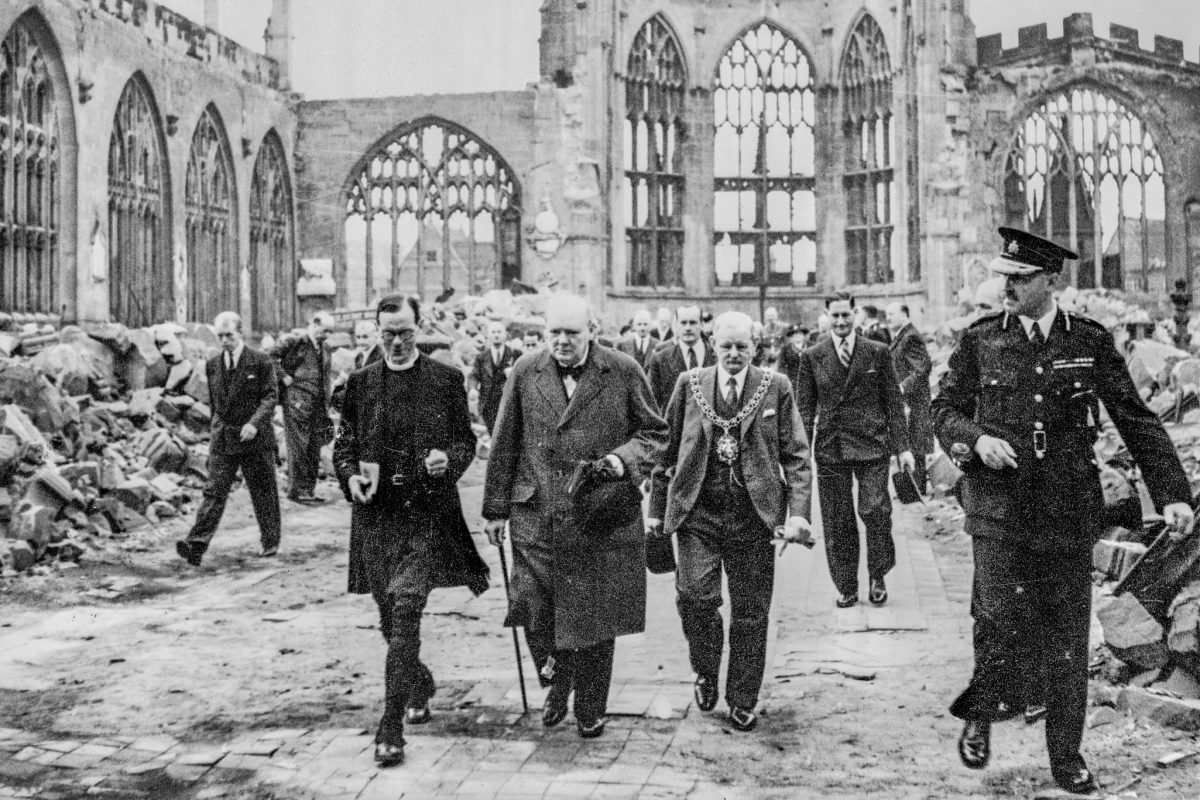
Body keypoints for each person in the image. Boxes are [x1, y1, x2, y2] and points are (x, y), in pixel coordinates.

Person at [931, 228, 1196, 795]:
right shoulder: (981, 341)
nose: (1009, 287)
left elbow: (1137, 420)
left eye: (1021, 279)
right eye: (1006, 276)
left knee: (1068, 637)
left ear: (1052, 281)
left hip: (1066, 513)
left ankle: (1065, 756)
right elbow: (944, 409)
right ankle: (981, 712)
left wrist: (1174, 493)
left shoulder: (1091, 341)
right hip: (998, 510)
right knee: (997, 619)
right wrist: (975, 440)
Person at [483, 293, 667, 739]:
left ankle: (589, 706)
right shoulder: (526, 370)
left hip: (598, 514)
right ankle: (555, 672)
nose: (562, 342)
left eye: (572, 333)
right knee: (532, 606)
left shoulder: (622, 370)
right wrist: (494, 508)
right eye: (555, 333)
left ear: (592, 332)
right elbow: (505, 438)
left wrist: (622, 461)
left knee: (595, 615)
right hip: (537, 511)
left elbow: (655, 434)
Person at [333, 293, 490, 768]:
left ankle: (390, 727)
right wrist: (350, 477)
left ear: (419, 329)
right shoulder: (359, 384)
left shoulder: (445, 379)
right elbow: (344, 445)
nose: (397, 342)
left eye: (405, 332)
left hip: (426, 515)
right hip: (378, 519)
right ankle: (417, 681)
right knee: (388, 617)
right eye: (388, 334)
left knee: (405, 612)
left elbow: (465, 441)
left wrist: (450, 461)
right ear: (376, 333)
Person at [647, 311, 813, 732]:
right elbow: (666, 450)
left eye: (742, 346)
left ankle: (742, 698)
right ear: (713, 344)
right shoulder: (690, 385)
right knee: (695, 597)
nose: (734, 354)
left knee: (751, 613)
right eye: (726, 346)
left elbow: (796, 454)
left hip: (753, 517)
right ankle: (705, 668)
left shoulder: (776, 387)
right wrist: (655, 512)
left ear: (754, 347)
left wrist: (797, 515)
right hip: (697, 511)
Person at [795, 291, 913, 608]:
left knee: (875, 511)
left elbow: (893, 402)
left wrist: (903, 448)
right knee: (837, 520)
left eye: (846, 315)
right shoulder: (812, 356)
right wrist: (800, 453)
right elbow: (804, 409)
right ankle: (847, 586)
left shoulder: (877, 352)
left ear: (855, 313)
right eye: (834, 316)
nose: (841, 321)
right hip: (831, 448)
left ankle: (878, 575)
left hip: (872, 446)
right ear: (826, 316)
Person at [175, 312, 280, 567]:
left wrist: (254, 424)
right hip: (225, 438)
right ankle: (195, 545)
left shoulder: (261, 361)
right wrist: (215, 432)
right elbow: (215, 404)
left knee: (262, 491)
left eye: (229, 335)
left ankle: (270, 540)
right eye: (220, 336)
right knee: (214, 491)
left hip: (254, 439)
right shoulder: (212, 364)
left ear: (240, 334)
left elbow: (270, 397)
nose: (224, 340)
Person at [275, 312, 335, 504]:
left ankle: (308, 490)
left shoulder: (325, 348)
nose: (326, 335)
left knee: (314, 446)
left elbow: (326, 377)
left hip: (317, 404)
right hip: (296, 401)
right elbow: (270, 358)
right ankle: (295, 490)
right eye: (324, 330)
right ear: (314, 323)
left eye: (329, 332)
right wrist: (283, 376)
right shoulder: (295, 342)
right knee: (298, 445)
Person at [886, 303, 933, 493]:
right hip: (907, 401)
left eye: (891, 314)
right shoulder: (901, 336)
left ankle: (916, 488)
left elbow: (922, 369)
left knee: (916, 442)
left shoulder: (910, 337)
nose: (888, 318)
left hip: (915, 401)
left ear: (904, 317)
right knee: (908, 440)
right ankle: (909, 488)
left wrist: (901, 388)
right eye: (887, 315)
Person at [646, 305, 714, 411]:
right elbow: (651, 401)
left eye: (693, 323)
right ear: (676, 326)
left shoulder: (716, 356)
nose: (687, 328)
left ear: (701, 325)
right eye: (683, 323)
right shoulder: (660, 359)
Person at [471, 320, 520, 433]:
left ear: (505, 335)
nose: (496, 335)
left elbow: (524, 376)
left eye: (499, 332)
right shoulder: (481, 357)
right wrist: (473, 388)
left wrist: (513, 374)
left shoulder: (515, 354)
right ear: (488, 336)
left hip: (508, 402)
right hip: (488, 404)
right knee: (492, 433)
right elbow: (474, 375)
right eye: (493, 332)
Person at [776, 324, 808, 395]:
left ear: (803, 336)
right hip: (792, 383)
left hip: (808, 383)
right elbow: (781, 368)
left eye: (800, 333)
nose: (797, 336)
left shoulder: (811, 347)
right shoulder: (785, 350)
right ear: (790, 338)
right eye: (794, 334)